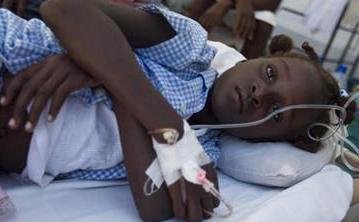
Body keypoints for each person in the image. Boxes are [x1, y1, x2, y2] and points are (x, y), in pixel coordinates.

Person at [0, 0, 356, 221]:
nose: (259, 93)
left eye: (277, 112)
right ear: (261, 55)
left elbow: (155, 208)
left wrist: (111, 79)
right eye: (269, 73)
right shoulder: (187, 49)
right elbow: (63, 9)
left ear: (267, 137)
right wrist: (164, 122)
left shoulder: (201, 157)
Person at [168, 0, 282, 58]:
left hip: (247, 9)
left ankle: (245, 64)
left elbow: (272, 4)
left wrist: (236, 2)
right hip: (219, 5)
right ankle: (179, 44)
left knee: (267, 18)